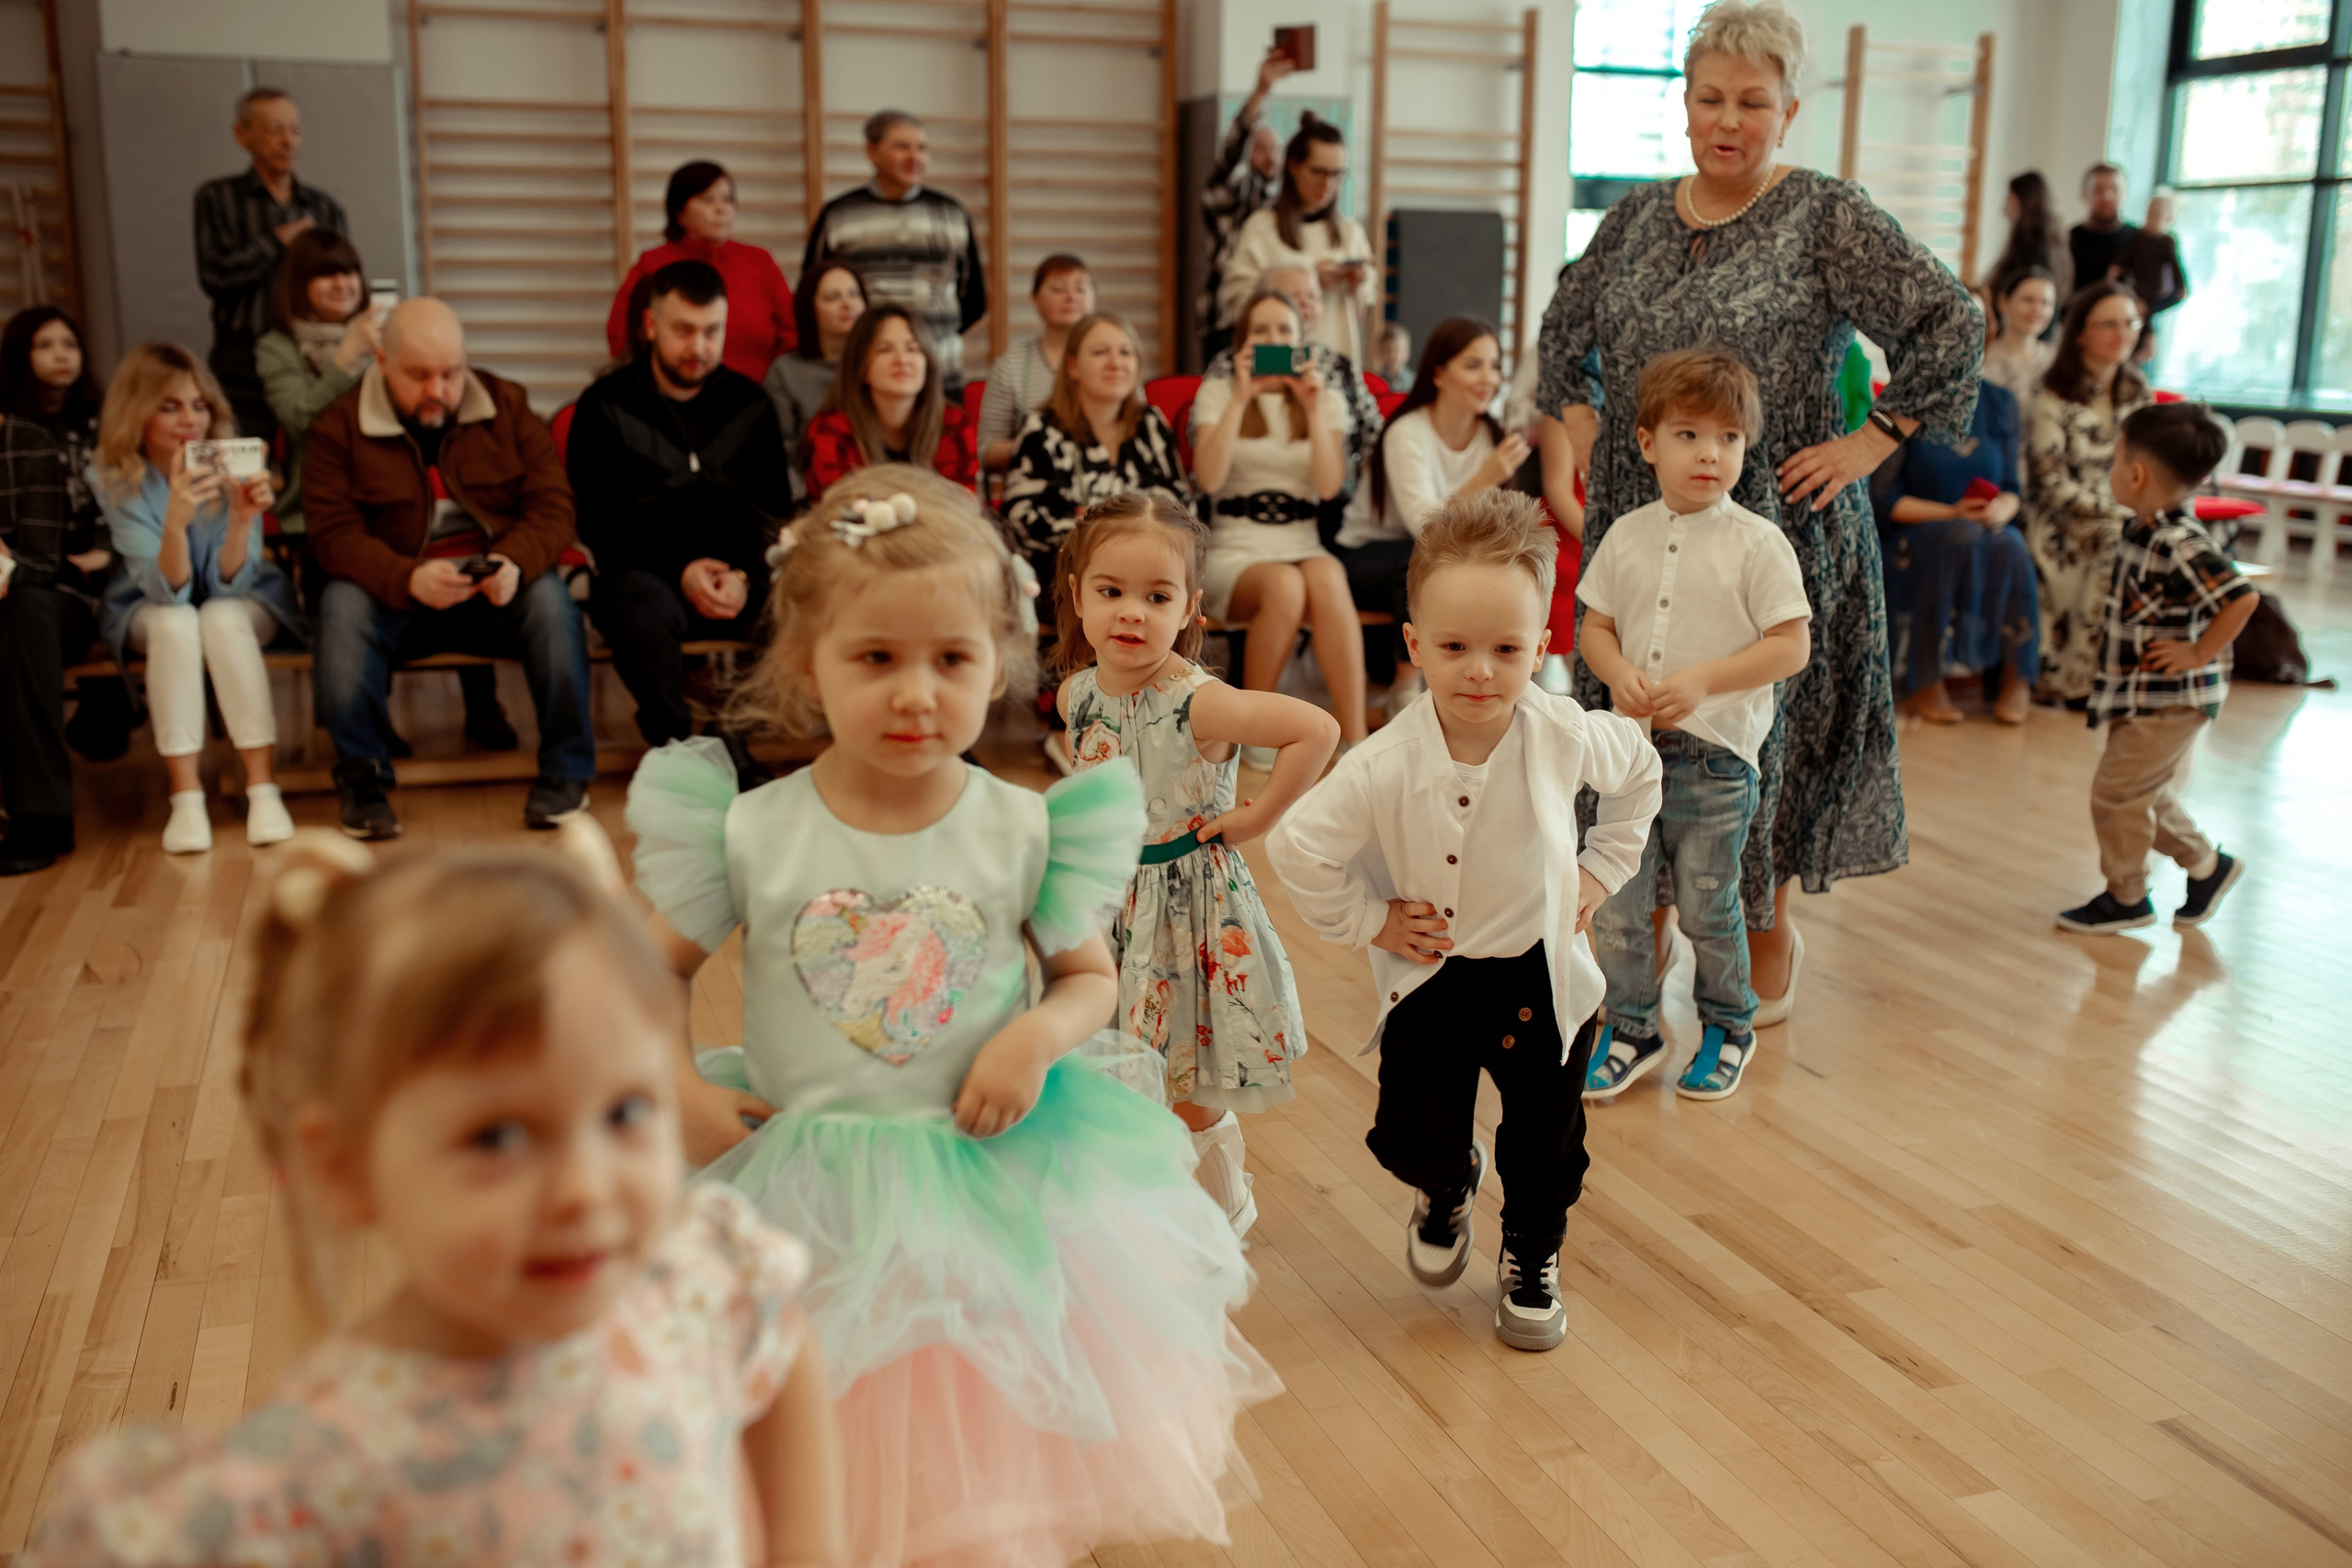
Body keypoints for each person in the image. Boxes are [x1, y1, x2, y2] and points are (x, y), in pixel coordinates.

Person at [625, 467, 1279, 1566]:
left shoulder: (1026, 829)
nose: (915, 694)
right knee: (811, 1451)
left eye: (951, 661)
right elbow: (636, 979)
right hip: (802, 1187)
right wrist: (677, 1087)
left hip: (990, 1173)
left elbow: (1084, 978)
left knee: (981, 1452)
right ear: (805, 663)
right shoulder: (749, 831)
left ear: (1000, 667)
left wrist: (1033, 1036)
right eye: (875, 659)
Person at [21, 831, 845, 1567]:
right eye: (498, 1138)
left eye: (625, 1112)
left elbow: (772, 1335)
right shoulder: (320, 1470)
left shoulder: (691, 1277)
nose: (585, 1190)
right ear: (342, 1168)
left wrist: (806, 1542)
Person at [1537, 0, 1983, 1026]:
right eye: (1708, 99)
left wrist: (1874, 439)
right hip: (1637, 522)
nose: (1726, 119)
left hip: (1776, 525)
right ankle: (1630, 945)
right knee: (1634, 724)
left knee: (1753, 740)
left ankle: (1758, 929)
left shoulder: (1824, 215)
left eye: (1751, 101)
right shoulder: (1637, 218)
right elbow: (1566, 333)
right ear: (1682, 105)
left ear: (1789, 110)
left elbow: (1949, 323)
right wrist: (1584, 435)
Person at [1269, 491, 1662, 1351]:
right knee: (1413, 1132)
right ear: (1414, 646)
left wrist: (1600, 870)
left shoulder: (1563, 731)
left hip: (1542, 978)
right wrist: (1370, 920)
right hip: (1434, 980)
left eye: (1505, 649)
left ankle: (1531, 1253)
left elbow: (1638, 769)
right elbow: (1297, 845)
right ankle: (1446, 1184)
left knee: (1545, 1143)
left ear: (1541, 649)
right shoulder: (1383, 762)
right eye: (1454, 647)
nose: (1480, 669)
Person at [1054, 493, 1337, 1235]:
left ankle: (1221, 1208)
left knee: (1188, 1076)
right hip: (1111, 905)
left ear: (1189, 607)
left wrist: (1258, 814)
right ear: (1076, 592)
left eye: (1156, 596)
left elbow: (1317, 728)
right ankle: (1134, 1200)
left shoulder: (1197, 703)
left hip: (1187, 912)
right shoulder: (1077, 694)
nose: (1131, 613)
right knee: (1111, 1062)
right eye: (1111, 592)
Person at [1577, 351, 1812, 1104]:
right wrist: (1616, 673)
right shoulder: (1626, 534)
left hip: (1716, 761)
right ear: (1647, 443)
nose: (1711, 452)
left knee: (1712, 905)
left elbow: (1791, 643)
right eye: (1689, 434)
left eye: (1729, 438)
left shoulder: (1758, 542)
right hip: (1628, 759)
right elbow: (1596, 627)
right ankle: (1634, 1025)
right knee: (1617, 903)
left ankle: (1727, 1023)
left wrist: (1704, 681)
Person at [304, 298, 595, 840]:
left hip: (491, 586)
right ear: (382, 361)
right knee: (340, 607)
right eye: (419, 376)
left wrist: (514, 560)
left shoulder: (506, 406)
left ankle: (567, 771)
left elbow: (555, 508)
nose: (438, 390)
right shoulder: (337, 427)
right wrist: (405, 577)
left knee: (551, 601)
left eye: (451, 374)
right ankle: (362, 783)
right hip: (395, 592)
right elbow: (332, 536)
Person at [571, 259, 793, 750]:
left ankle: (731, 740)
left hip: (738, 575)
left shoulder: (750, 404)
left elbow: (775, 513)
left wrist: (741, 576)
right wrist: (682, 571)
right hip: (645, 575)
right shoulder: (603, 406)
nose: (699, 347)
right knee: (641, 609)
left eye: (712, 331)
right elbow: (599, 523)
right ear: (651, 326)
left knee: (798, 600)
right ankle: (676, 746)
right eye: (684, 330)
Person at [90, 344, 304, 854]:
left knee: (222, 613)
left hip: (241, 601)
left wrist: (240, 520)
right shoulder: (112, 474)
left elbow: (232, 583)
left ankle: (263, 787)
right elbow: (169, 590)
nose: (191, 419)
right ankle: (185, 797)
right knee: (175, 621)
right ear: (135, 411)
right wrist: (176, 524)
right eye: (170, 406)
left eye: (200, 404)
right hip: (150, 603)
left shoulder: (234, 458)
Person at [2058, 403, 2255, 935]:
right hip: (2142, 693)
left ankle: (2126, 896)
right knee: (2140, 791)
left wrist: (2197, 652)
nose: (2111, 469)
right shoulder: (2144, 528)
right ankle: (2207, 866)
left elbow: (2241, 598)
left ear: (2137, 474)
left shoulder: (2178, 541)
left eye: (2115, 460)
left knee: (2116, 794)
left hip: (2170, 698)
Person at [1191, 288, 1369, 753]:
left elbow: (1330, 487)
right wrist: (1240, 398)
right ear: (1242, 342)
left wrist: (1311, 407)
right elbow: (1208, 478)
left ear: (1300, 341)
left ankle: (1357, 739)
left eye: (1284, 331)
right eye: (1262, 331)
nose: (1274, 339)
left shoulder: (1323, 399)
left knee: (1328, 575)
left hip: (1302, 538)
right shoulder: (1218, 392)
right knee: (1285, 586)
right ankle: (1254, 729)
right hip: (1235, 546)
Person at [1334, 316, 1529, 678]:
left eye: (1494, 366)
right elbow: (1423, 525)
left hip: (1433, 552)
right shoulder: (1407, 432)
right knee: (1425, 565)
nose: (1488, 378)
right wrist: (1486, 476)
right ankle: (1406, 691)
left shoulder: (1490, 434)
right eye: (1473, 365)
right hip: (1367, 554)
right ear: (1438, 374)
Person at [2, 305, 132, 766]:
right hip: (31, 578)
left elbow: (126, 499)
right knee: (23, 608)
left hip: (100, 577)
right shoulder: (9, 431)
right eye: (45, 345)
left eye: (70, 344)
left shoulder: (107, 424)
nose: (62, 356)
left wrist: (106, 551)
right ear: (21, 355)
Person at [1872, 371, 2038, 726]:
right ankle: (1926, 680)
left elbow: (2011, 487)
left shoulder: (1999, 401)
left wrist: (1998, 512)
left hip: (1981, 528)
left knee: (2011, 543)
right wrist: (1951, 512)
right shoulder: (1901, 399)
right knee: (1952, 536)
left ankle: (2016, 673)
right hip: (1914, 533)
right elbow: (1884, 500)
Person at [194, 86, 348, 444]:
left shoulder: (324, 208)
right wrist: (276, 242)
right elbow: (214, 277)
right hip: (240, 361)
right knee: (238, 462)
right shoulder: (217, 198)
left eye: (295, 130)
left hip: (313, 358)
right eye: (275, 130)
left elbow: (345, 281)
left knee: (319, 459)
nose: (288, 142)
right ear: (242, 135)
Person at [800, 110, 988, 391]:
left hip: (940, 375)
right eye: (902, 147)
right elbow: (814, 290)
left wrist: (926, 338)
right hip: (864, 375)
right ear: (871, 152)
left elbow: (973, 298)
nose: (914, 156)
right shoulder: (839, 214)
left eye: (922, 148)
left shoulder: (952, 213)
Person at [2028, 280, 2149, 705]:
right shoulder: (2052, 397)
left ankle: (2151, 673)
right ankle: (2075, 679)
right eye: (2109, 324)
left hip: (2126, 515)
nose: (2123, 334)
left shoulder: (2138, 393)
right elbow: (2051, 483)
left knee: (2175, 543)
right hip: (2064, 521)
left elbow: (2152, 471)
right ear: (2080, 333)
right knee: (2120, 542)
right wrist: (2119, 513)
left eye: (2130, 323)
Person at [1197, 257, 1384, 528]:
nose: (1306, 304)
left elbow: (1372, 436)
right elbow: (1204, 453)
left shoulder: (1339, 366)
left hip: (1331, 500)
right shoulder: (1230, 366)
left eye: (1314, 296)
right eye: (1295, 296)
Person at [1001, 311, 1189, 576]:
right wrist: (1103, 531)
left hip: (1149, 569)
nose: (1116, 363)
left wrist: (1116, 527)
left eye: (1126, 353)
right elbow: (1021, 522)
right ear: (1073, 366)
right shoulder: (1040, 429)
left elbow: (1181, 505)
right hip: (1068, 574)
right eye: (1101, 352)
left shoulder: (1151, 423)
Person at [605, 161, 797, 381]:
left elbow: (792, 334)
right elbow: (622, 337)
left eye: (728, 199)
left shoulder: (759, 262)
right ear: (680, 212)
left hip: (754, 395)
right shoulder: (653, 264)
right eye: (708, 199)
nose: (721, 208)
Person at [1219, 115, 1377, 364]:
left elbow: (1355, 318)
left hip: (1334, 362)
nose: (1328, 184)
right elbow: (1238, 308)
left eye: (1337, 175)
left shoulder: (1350, 233)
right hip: (1276, 362)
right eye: (1318, 172)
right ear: (1293, 166)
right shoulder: (1262, 227)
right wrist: (1306, 283)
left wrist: (1356, 284)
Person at [0, 418, 85, 874]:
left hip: (46, 601)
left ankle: (40, 814)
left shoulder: (27, 444)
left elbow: (41, 561)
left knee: (21, 608)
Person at [800, 301, 978, 492]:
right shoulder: (831, 430)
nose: (902, 360)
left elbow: (963, 506)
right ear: (861, 368)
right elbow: (838, 506)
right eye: (884, 350)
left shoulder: (954, 424)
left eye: (912, 349)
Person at [1197, 47, 1296, 363]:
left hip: (1276, 322)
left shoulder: (1287, 205)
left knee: (1272, 390)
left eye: (1277, 149)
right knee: (1229, 390)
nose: (1271, 157)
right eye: (1262, 148)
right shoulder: (1230, 197)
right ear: (1248, 153)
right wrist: (1261, 92)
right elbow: (1227, 159)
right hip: (1227, 321)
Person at [977, 254, 1094, 471]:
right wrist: (1036, 446)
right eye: (1058, 289)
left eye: (1081, 288)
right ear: (1035, 299)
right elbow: (987, 451)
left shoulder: (1115, 360)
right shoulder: (1010, 367)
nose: (1071, 297)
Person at [764, 259, 865, 499]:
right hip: (811, 498)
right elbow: (779, 454)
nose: (847, 304)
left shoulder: (878, 364)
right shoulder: (786, 370)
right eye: (832, 297)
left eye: (854, 294)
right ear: (810, 309)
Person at [2114, 188, 2188, 361]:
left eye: (2159, 214)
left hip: (2153, 299)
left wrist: (2151, 307)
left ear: (2169, 218)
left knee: (2144, 337)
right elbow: (2119, 266)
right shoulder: (2135, 238)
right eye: (2151, 212)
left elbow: (2181, 286)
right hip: (2133, 294)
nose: (2153, 217)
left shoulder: (2167, 242)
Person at [1983, 171, 2072, 304]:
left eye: (2010, 202)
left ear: (2025, 205)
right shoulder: (2052, 240)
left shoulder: (2031, 248)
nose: (2005, 210)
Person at [1982, 265, 2058, 406]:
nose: (2037, 309)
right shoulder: (1984, 358)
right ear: (2003, 302)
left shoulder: (2056, 360)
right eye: (2028, 300)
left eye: (2045, 303)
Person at [2069, 163, 2137, 306]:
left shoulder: (2138, 239)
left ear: (2124, 193)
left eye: (2114, 189)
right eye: (2098, 190)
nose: (2107, 196)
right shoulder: (2067, 240)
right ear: (2084, 195)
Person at [1371, 321, 1414, 392]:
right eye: (1387, 350)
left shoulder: (1415, 383)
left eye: (1398, 350)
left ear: (1407, 353)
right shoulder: (1375, 382)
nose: (1393, 355)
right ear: (1380, 352)